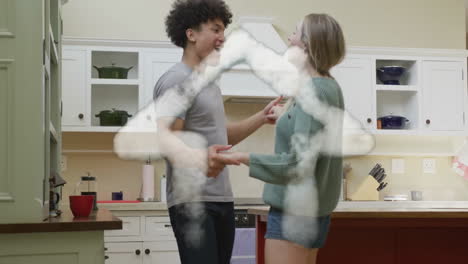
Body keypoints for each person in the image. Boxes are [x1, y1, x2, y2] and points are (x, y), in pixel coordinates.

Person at [152, 1, 281, 264]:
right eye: (216, 29)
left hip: (220, 197)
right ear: (191, 34)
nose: (223, 38)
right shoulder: (176, 80)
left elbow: (221, 136)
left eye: (223, 30)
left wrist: (261, 117)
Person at [221, 13, 346, 264]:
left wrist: (239, 157)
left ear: (307, 45)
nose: (289, 38)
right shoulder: (327, 87)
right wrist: (286, 116)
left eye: (295, 32)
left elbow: (296, 165)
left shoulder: (314, 91)